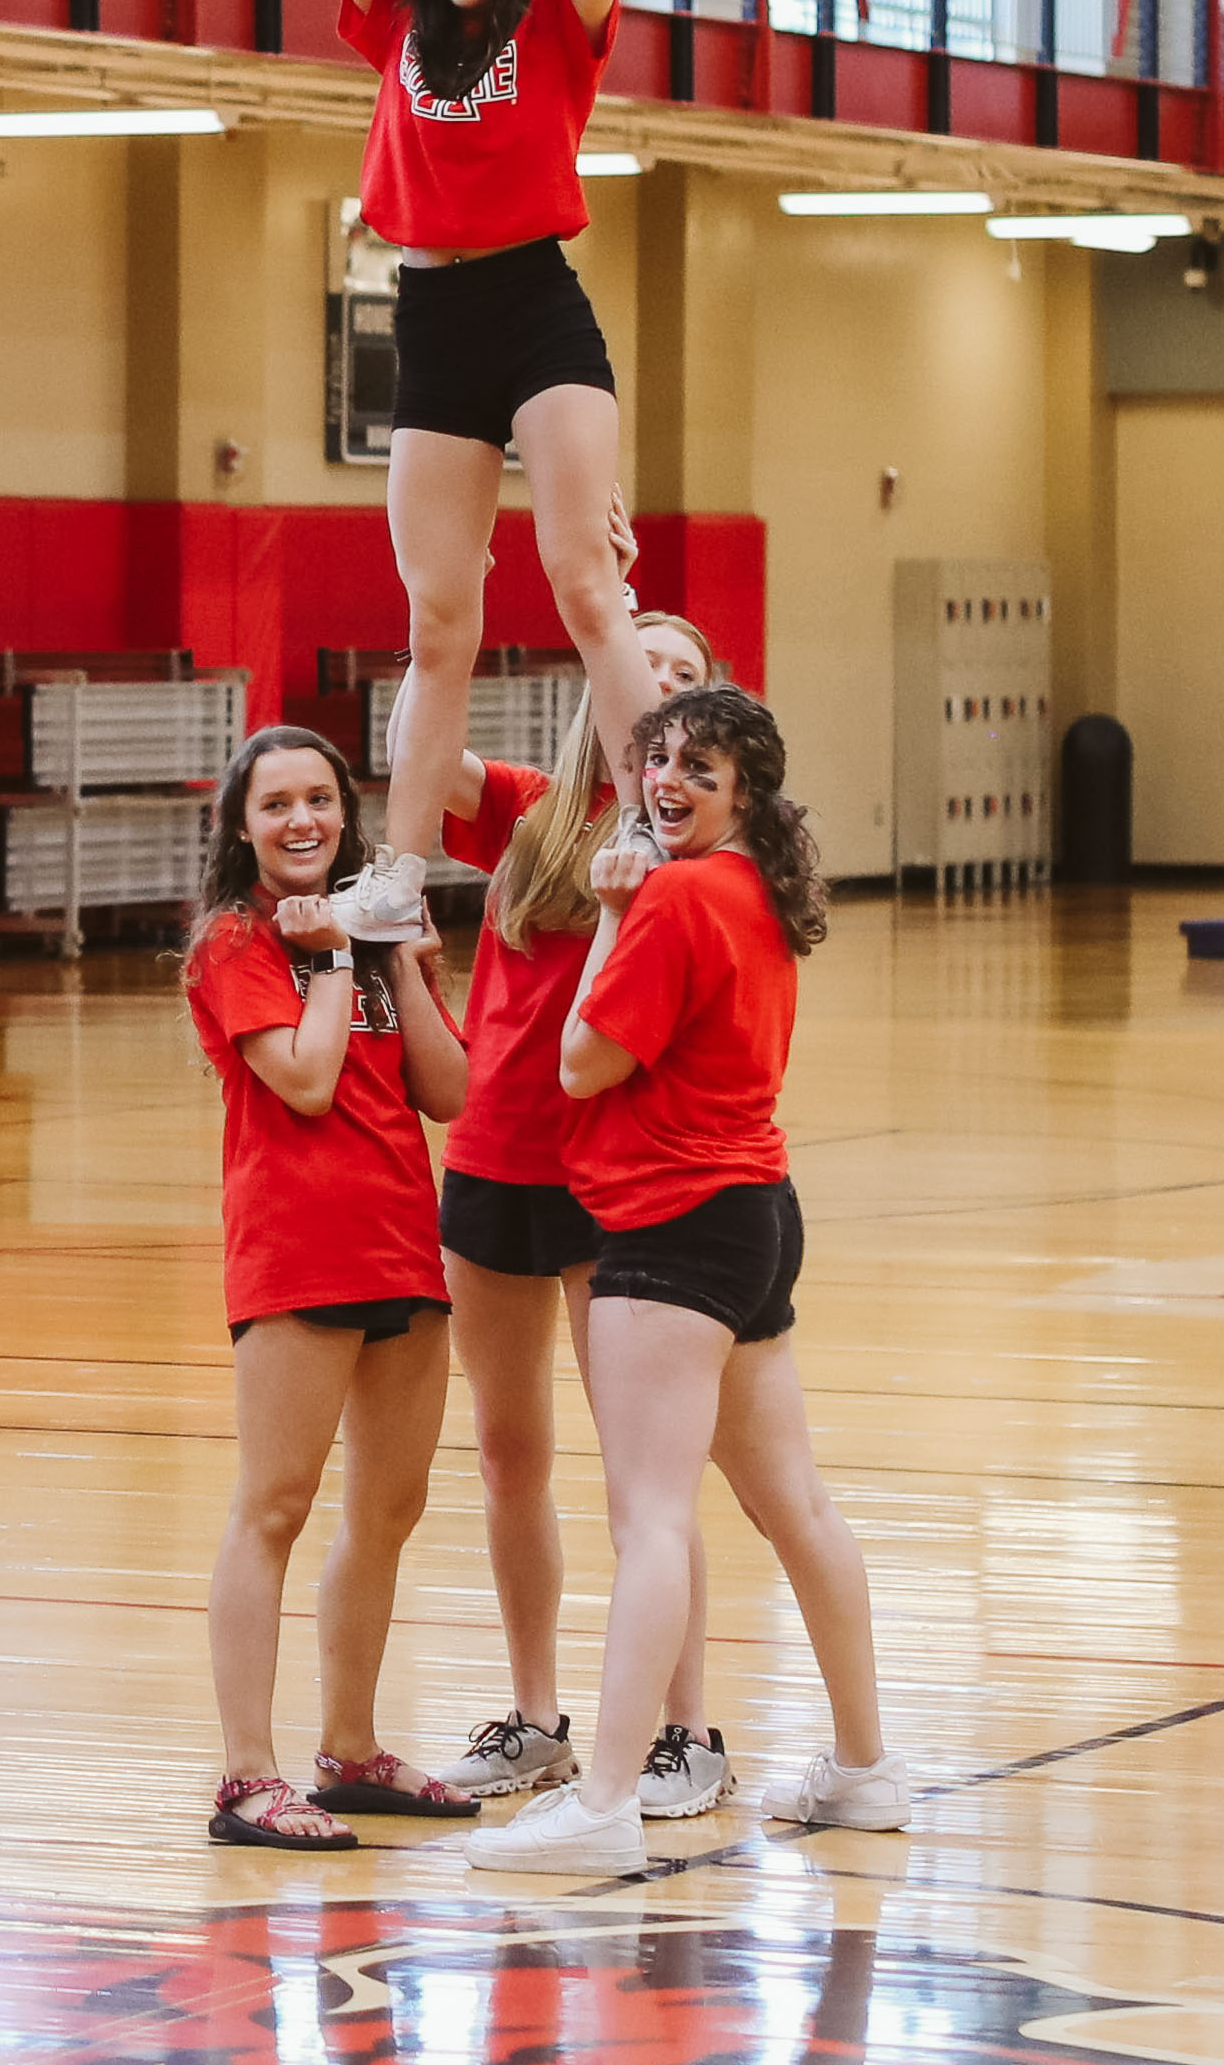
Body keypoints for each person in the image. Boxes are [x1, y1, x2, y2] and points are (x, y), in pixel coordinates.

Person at [470, 683, 907, 1876]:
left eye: (698, 768)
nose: (667, 780)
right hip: (756, 1215)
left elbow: (580, 1062)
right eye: (657, 757)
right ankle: (865, 1771)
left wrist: (611, 914)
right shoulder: (755, 889)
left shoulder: (671, 899)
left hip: (671, 1228)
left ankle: (605, 1798)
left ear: (744, 794)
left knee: (651, 1518)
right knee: (795, 1506)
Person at [268, 0, 663, 948]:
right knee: (441, 624)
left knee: (585, 583)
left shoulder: (561, 25)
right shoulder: (393, 17)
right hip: (429, 316)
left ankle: (646, 822)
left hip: (537, 309)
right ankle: (403, 865)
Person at [431, 598, 738, 1814]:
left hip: (617, 1178)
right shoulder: (529, 812)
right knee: (511, 1458)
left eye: (679, 671)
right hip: (494, 1163)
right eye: (635, 662)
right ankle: (537, 1718)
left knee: (644, 1480)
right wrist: (440, 614)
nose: (651, 685)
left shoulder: (697, 852)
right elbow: (421, 745)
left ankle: (687, 1732)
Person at [183, 726, 477, 1851]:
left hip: (404, 1241)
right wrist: (339, 959)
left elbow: (448, 1092)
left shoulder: (366, 934)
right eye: (276, 806)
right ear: (243, 827)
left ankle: (350, 1750)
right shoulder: (233, 943)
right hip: (298, 1253)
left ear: (346, 816)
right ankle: (246, 1778)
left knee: (386, 1513)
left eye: (319, 801)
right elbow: (304, 1083)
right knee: (275, 1507)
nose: (301, 822)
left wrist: (396, 953)